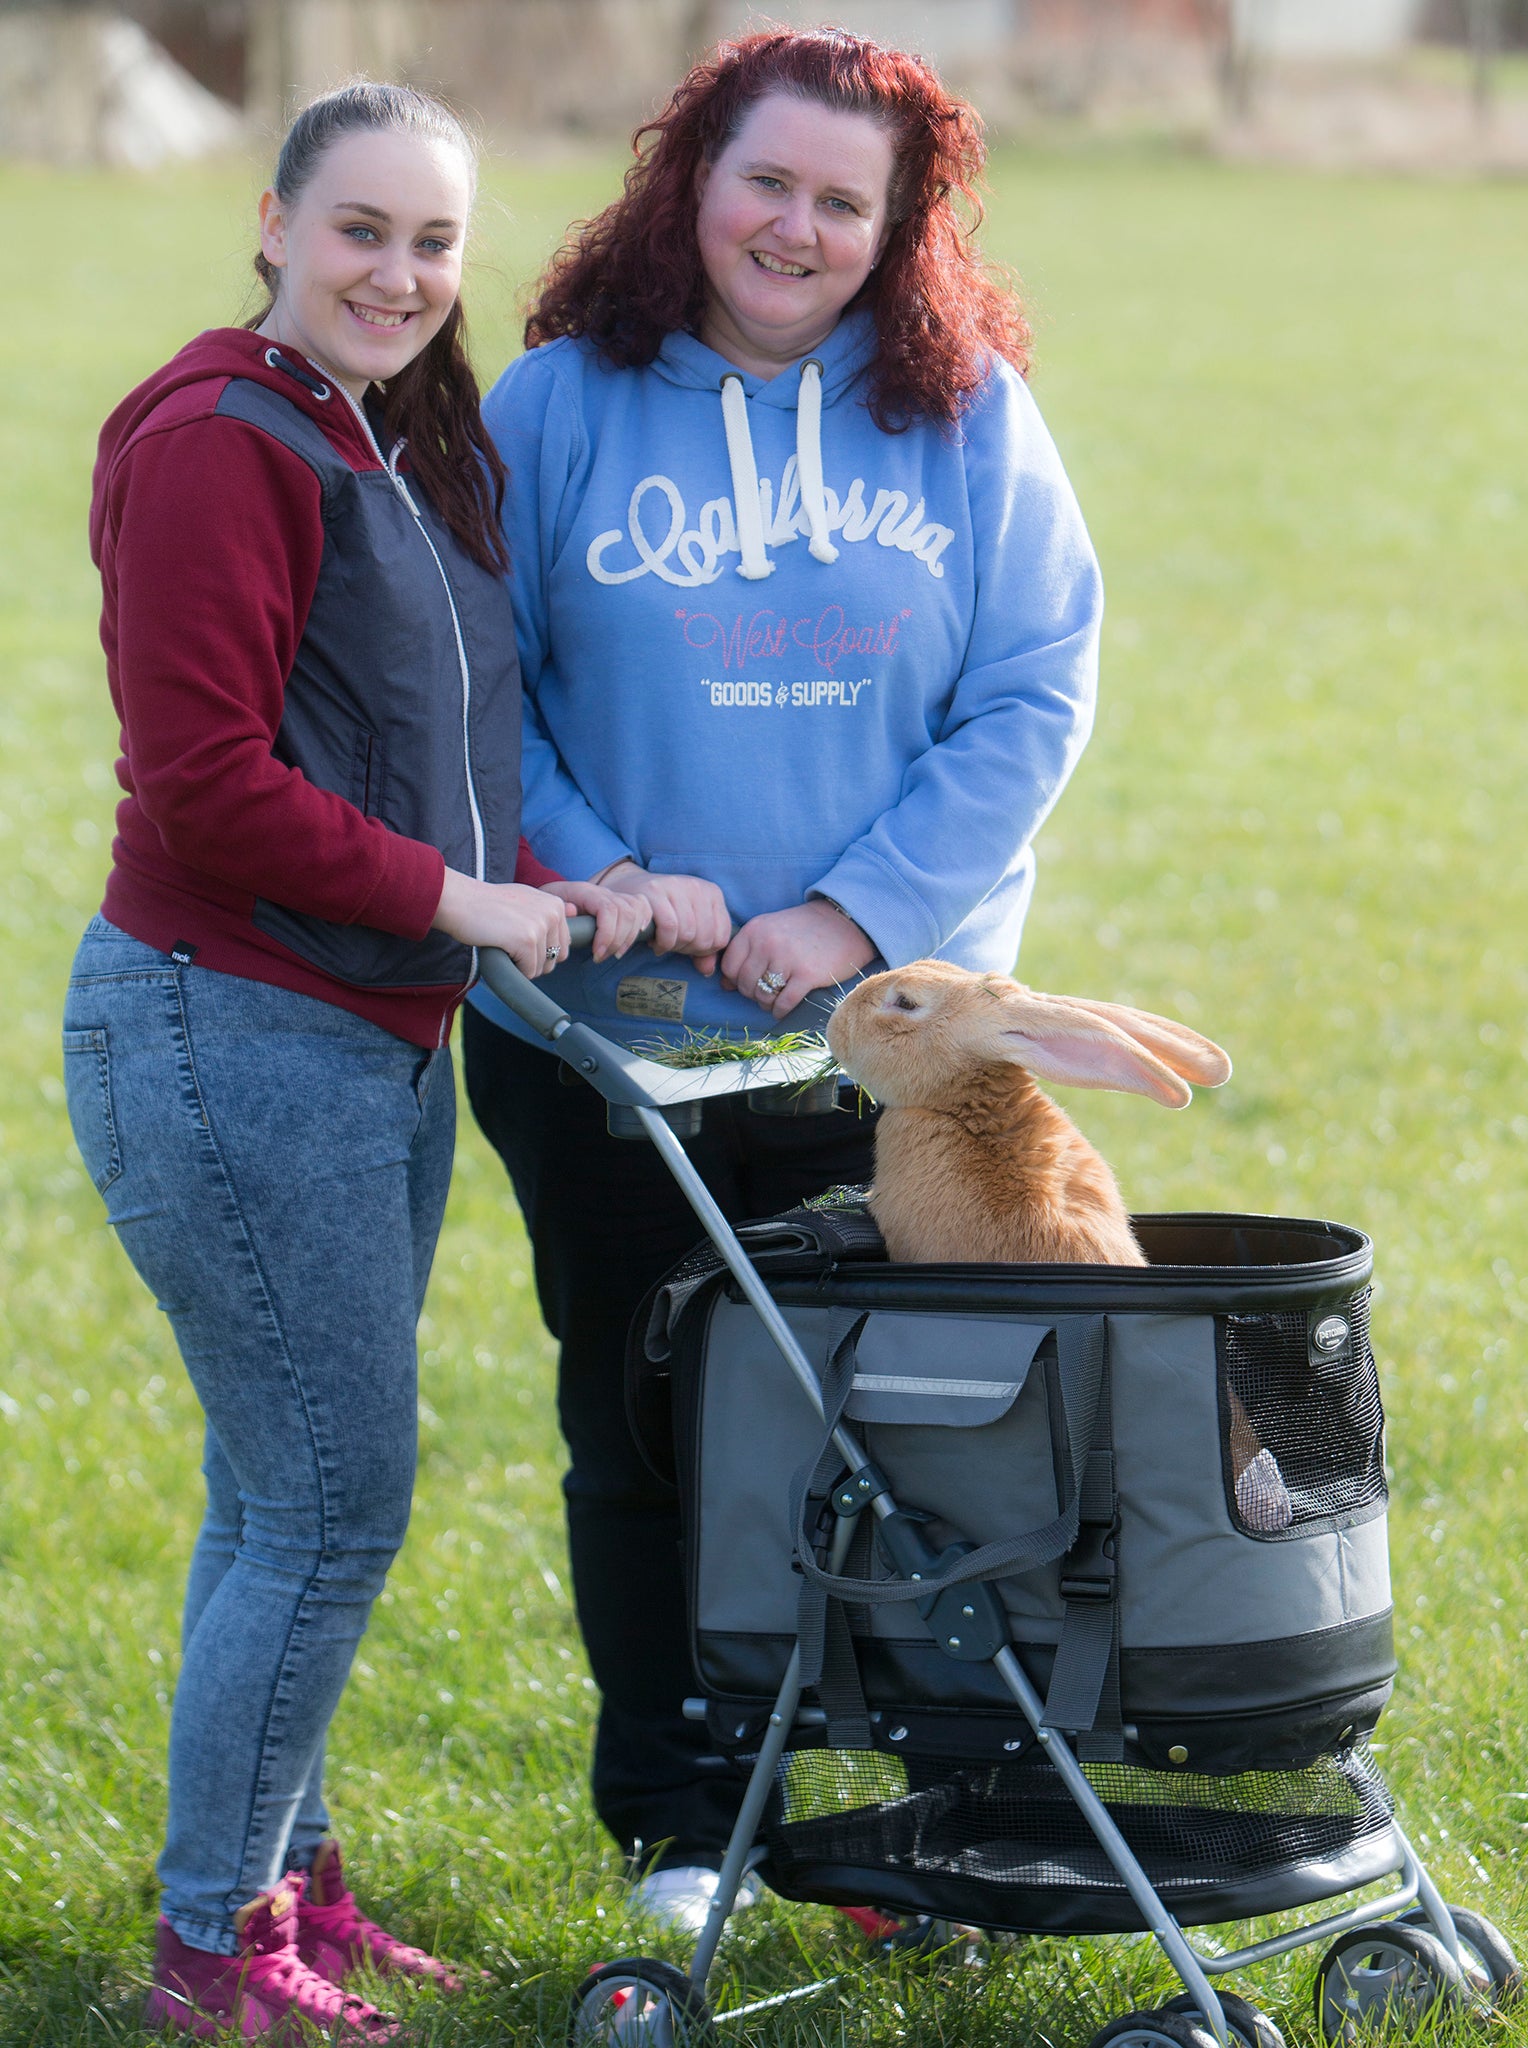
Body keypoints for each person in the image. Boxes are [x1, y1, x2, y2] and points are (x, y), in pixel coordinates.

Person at [463, 28, 1103, 1932]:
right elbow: (475, 693)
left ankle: (925, 1814)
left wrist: (854, 910)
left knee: (911, 1415)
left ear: (900, 230)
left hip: (892, 1040)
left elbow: (1035, 688)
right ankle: (685, 1819)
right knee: (649, 1409)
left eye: (847, 200)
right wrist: (608, 877)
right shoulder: (555, 407)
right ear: (690, 177)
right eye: (767, 181)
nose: (797, 227)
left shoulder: (968, 411)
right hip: (606, 1029)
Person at [63, 82, 645, 2036]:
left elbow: (442, 741)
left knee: (280, 1490)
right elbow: (209, 788)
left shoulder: (371, 434)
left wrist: (568, 875)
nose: (399, 274)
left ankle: (281, 1883)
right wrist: (465, 909)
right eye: (361, 231)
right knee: (328, 1499)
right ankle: (215, 1951)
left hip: (360, 1039)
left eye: (434, 242)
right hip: (232, 1024)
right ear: (272, 225)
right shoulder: (223, 441)